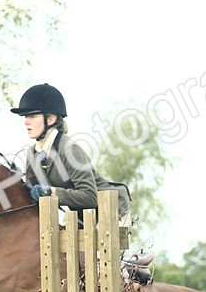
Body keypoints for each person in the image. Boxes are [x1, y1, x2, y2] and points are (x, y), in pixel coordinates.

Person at [12, 83, 130, 218]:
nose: (26, 121)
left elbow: (90, 196)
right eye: (25, 117)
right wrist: (16, 183)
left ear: (50, 119)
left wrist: (51, 192)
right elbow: (33, 194)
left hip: (111, 208)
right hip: (81, 214)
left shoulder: (69, 149)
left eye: (32, 116)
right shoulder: (33, 153)